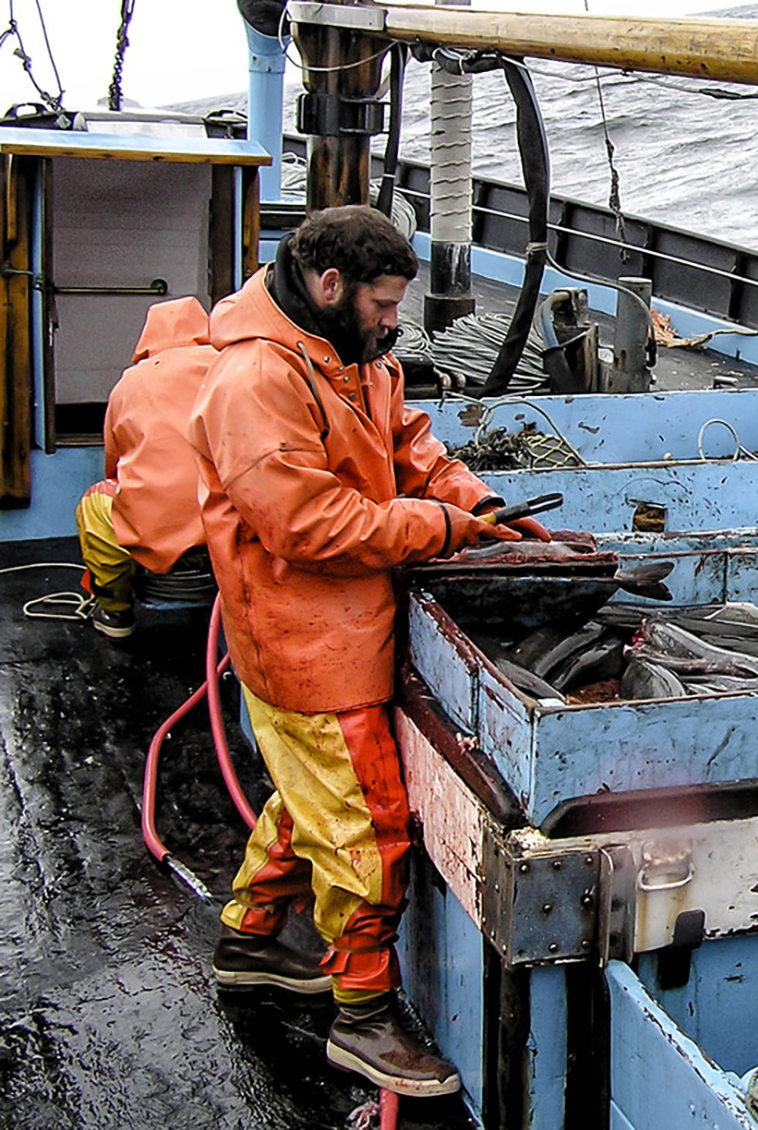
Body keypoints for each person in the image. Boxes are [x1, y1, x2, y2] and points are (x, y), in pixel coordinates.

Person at [187, 205, 549, 1096]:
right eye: (384, 305)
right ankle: (361, 1015)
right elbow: (306, 524)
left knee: (307, 796)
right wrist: (440, 528)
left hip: (353, 626)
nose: (394, 323)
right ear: (329, 286)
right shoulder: (255, 381)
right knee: (364, 825)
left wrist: (482, 505)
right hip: (306, 645)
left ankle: (249, 942)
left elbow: (409, 446)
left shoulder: (356, 353)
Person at [73, 297, 216, 638]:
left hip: (156, 532)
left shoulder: (129, 383)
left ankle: (115, 612)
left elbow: (114, 464)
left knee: (96, 503)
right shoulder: (229, 367)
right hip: (228, 529)